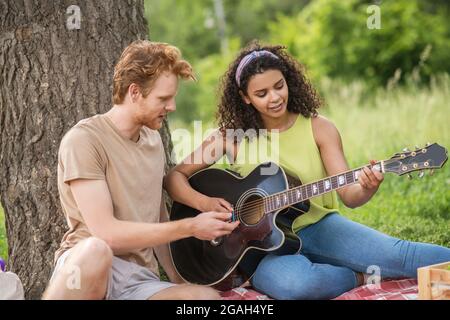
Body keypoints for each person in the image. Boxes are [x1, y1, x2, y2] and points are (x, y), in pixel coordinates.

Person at [164, 41, 450, 300]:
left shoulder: (319, 128)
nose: (274, 97)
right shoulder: (230, 137)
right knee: (295, 286)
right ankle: (359, 275)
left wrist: (367, 185)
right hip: (264, 248)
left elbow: (350, 196)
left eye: (279, 86)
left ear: (288, 81)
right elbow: (174, 178)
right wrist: (204, 203)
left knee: (400, 254)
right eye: (261, 93)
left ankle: (345, 260)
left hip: (320, 227)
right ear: (245, 97)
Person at [42, 40, 239, 300]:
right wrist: (190, 227)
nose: (172, 107)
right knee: (95, 250)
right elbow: (107, 234)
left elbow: (156, 217)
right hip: (88, 271)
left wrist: (177, 281)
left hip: (137, 283)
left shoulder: (152, 140)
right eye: (164, 99)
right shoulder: (85, 140)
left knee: (204, 300)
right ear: (134, 92)